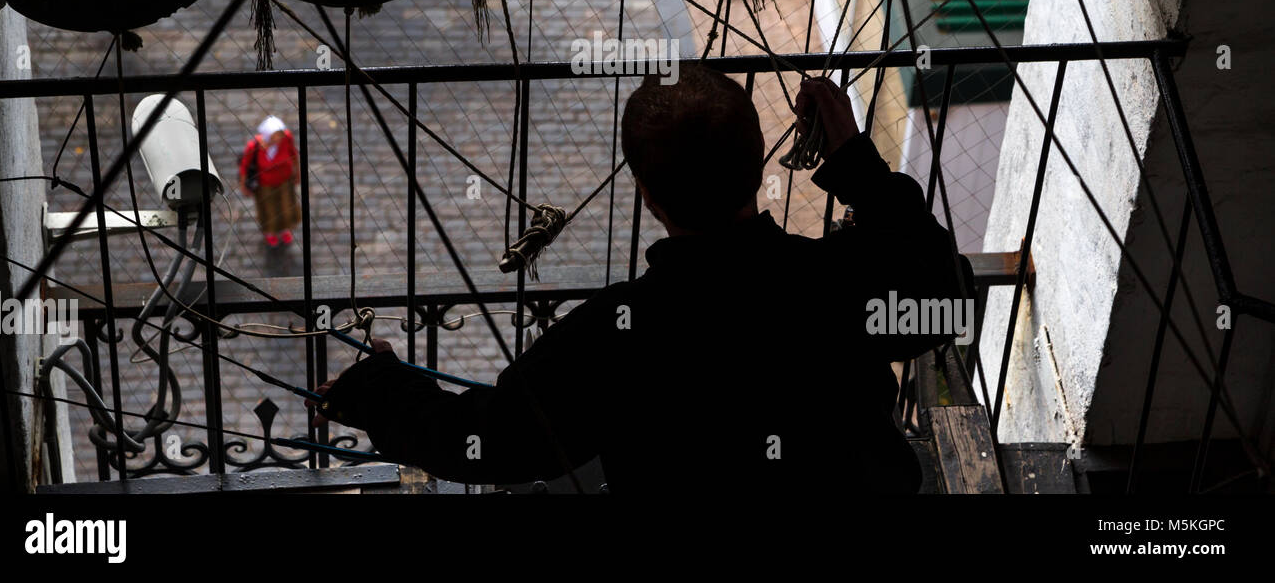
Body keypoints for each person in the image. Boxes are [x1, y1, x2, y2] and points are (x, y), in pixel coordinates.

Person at [308, 66, 973, 493]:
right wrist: (857, 163)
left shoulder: (615, 336)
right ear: (757, 170)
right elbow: (942, 297)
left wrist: (379, 392)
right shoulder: (837, 282)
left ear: (649, 198)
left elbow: (491, 441)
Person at [238, 115, 300, 249]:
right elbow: (245, 166)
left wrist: (297, 173)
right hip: (265, 184)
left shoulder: (287, 138)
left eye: (280, 135)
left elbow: (294, 154)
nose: (278, 138)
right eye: (275, 135)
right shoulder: (254, 146)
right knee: (269, 209)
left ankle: (284, 229)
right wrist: (243, 185)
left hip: (284, 182)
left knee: (286, 206)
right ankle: (270, 232)